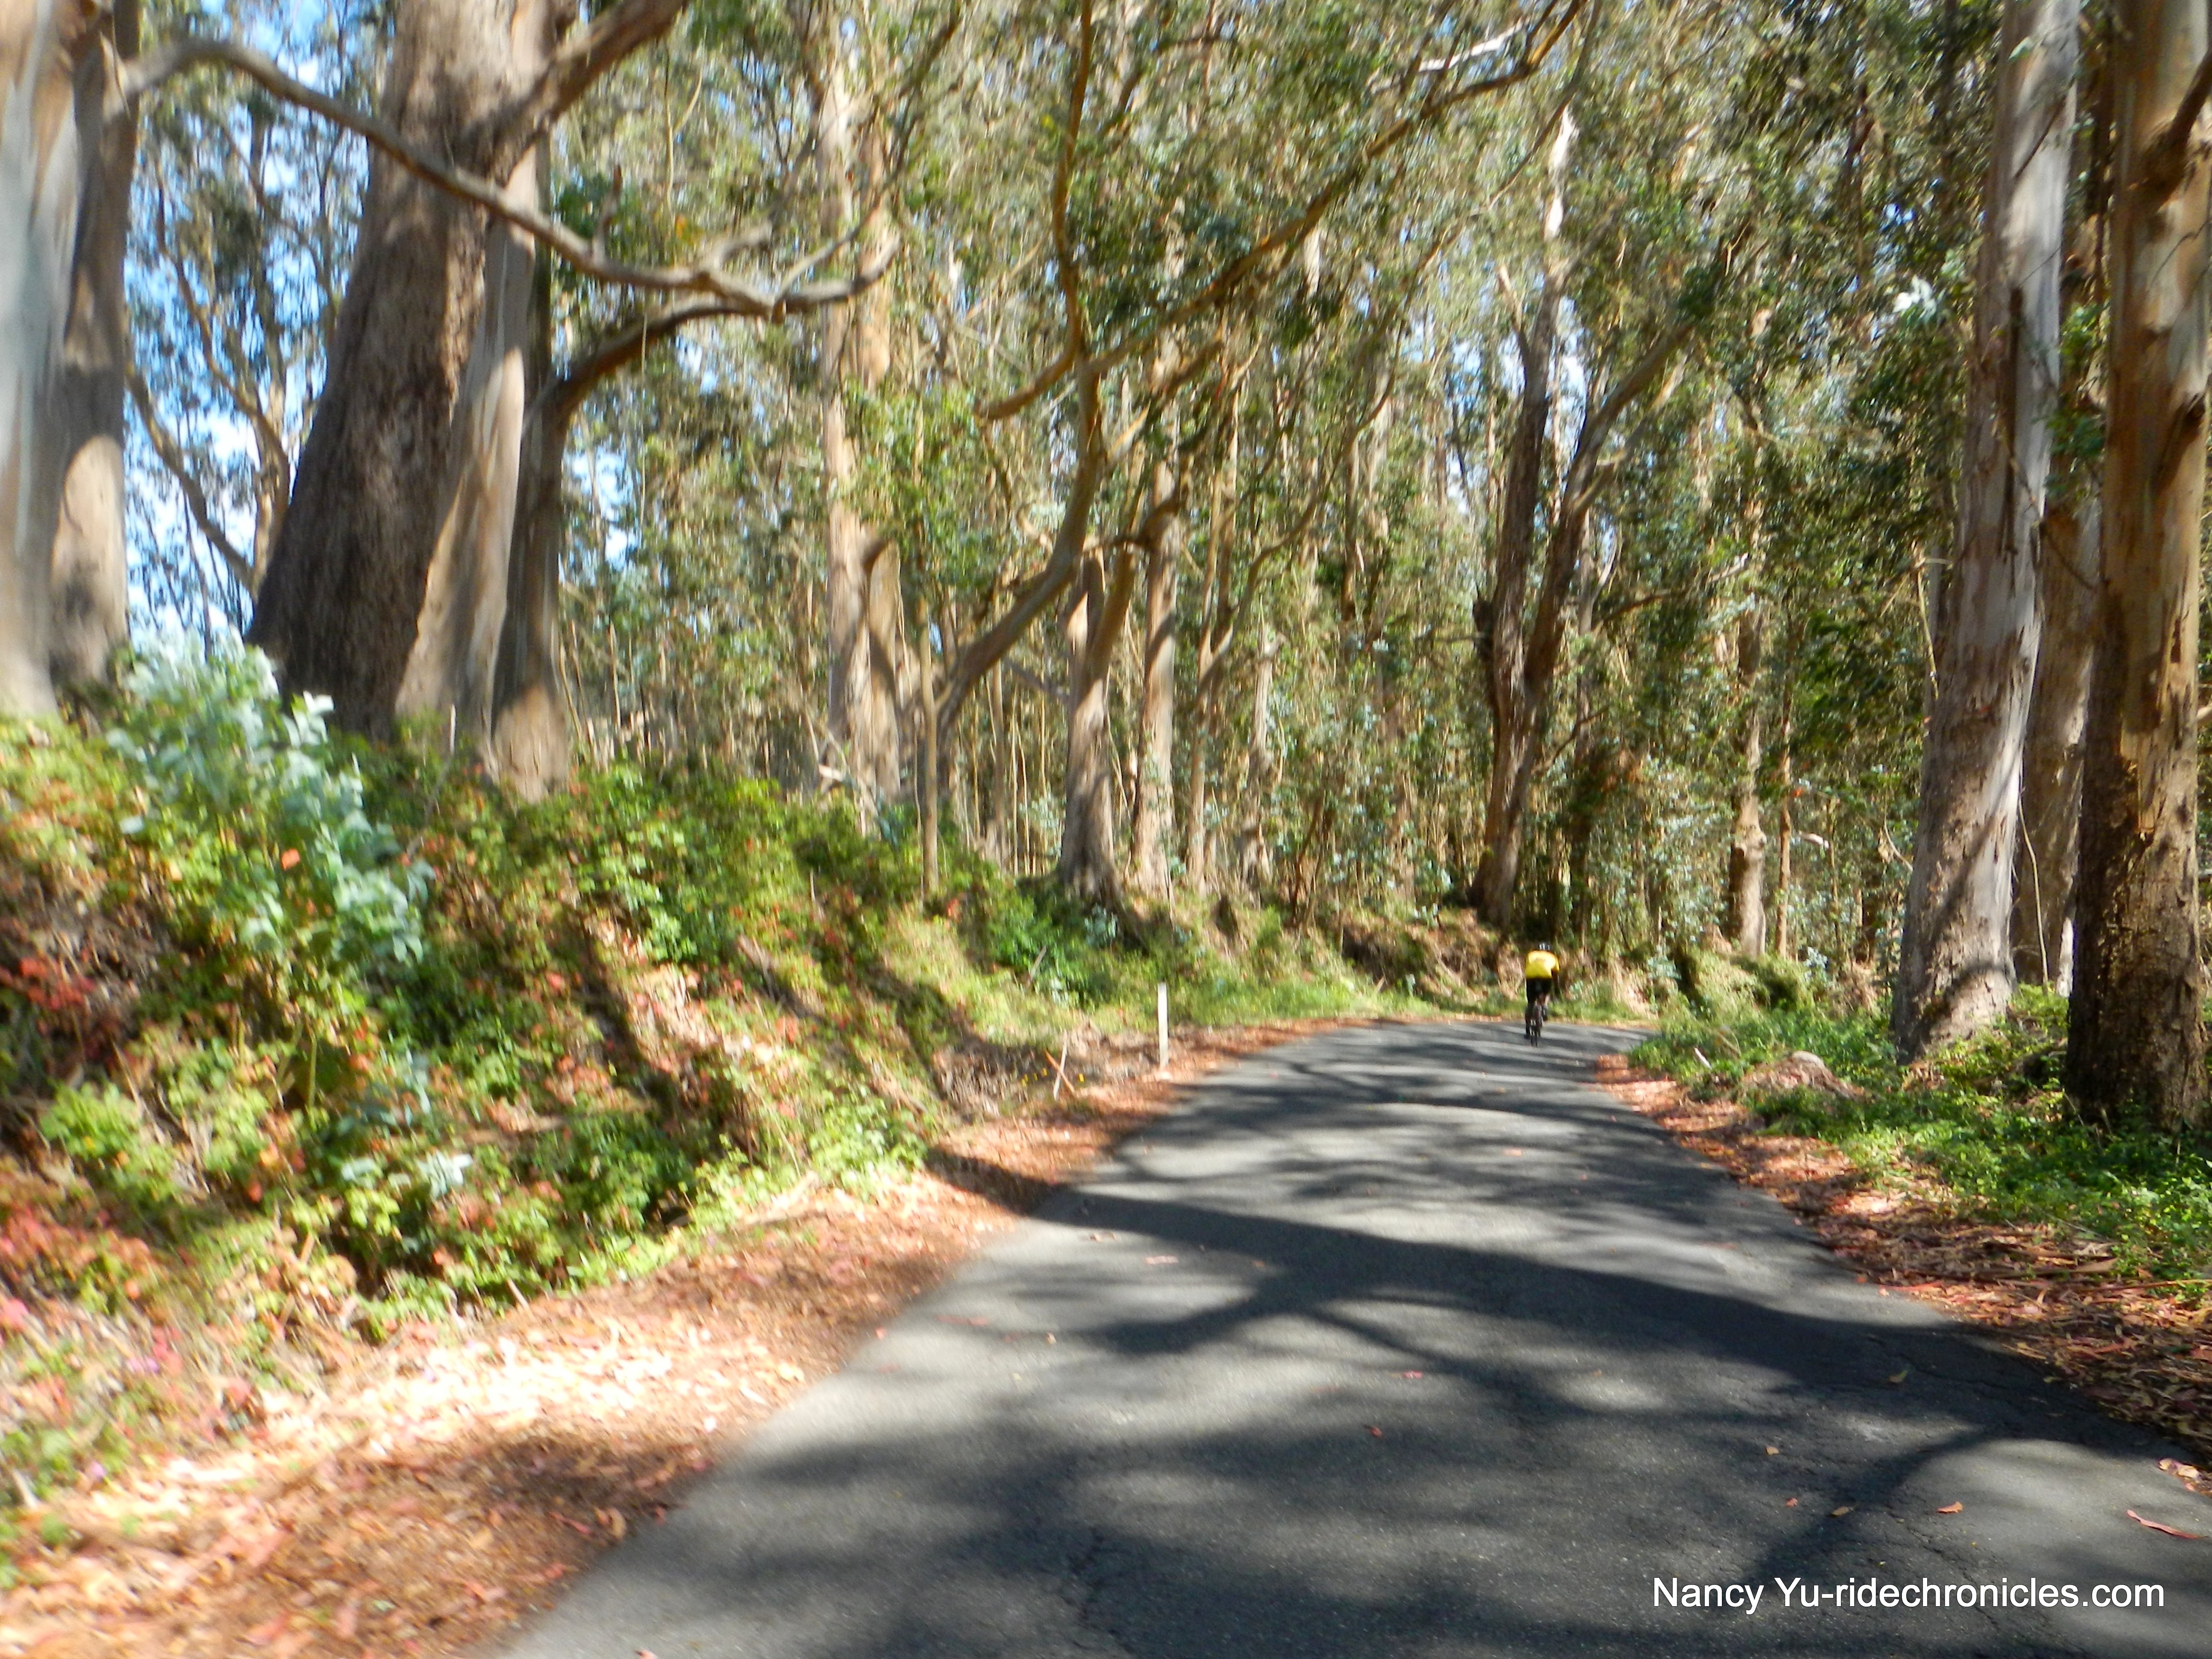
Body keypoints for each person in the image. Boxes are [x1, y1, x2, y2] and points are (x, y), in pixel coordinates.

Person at [1523, 942, 1560, 1028]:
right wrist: (1556, 988)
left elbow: (1528, 966)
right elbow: (1555, 973)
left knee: (1531, 1002)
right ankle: (1545, 1007)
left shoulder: (1531, 955)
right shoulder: (1552, 957)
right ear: (1548, 950)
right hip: (1546, 977)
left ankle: (1528, 1026)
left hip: (1531, 977)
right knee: (1547, 993)